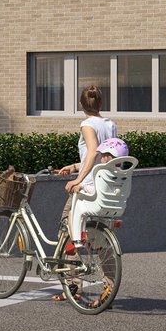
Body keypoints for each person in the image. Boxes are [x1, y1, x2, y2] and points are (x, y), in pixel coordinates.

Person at [56, 86, 117, 238]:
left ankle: (73, 258)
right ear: (101, 103)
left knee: (67, 220)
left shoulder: (87, 125)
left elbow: (93, 151)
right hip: (105, 184)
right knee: (101, 234)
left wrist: (78, 179)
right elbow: (105, 157)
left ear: (80, 105)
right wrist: (75, 167)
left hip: (89, 185)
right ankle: (108, 261)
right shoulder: (110, 125)